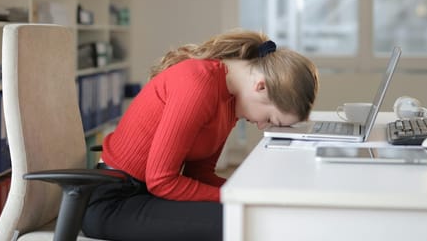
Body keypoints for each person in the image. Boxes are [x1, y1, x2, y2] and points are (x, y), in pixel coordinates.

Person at [82, 29, 319, 241]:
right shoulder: (199, 84)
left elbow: (200, 173)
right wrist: (237, 197)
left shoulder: (230, 102)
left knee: (250, 215)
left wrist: (248, 194)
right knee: (241, 221)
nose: (261, 125)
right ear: (261, 86)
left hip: (144, 195)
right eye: (270, 119)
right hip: (114, 202)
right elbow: (162, 181)